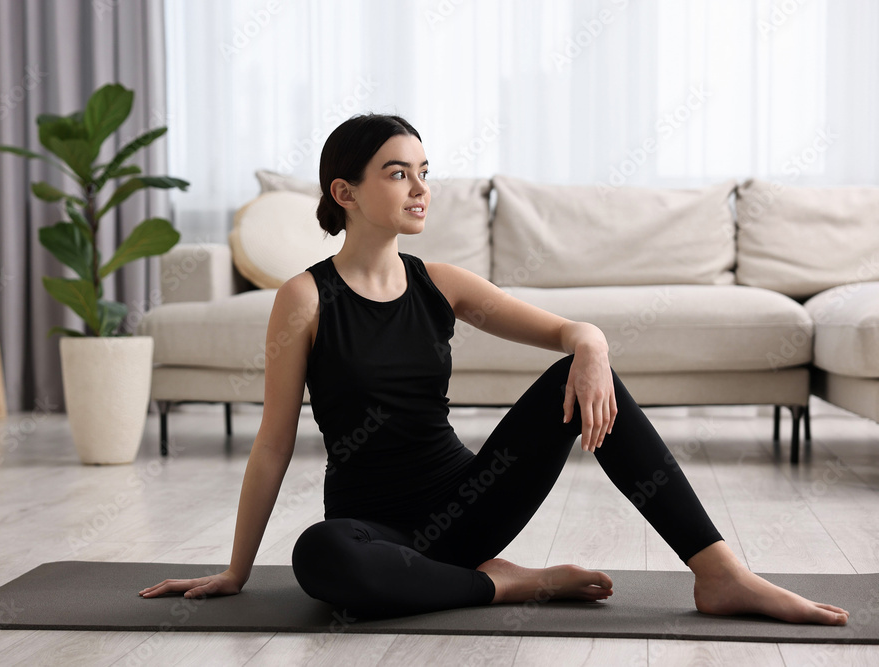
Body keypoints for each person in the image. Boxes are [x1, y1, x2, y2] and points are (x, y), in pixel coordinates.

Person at [139, 113, 849, 625]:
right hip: (370, 528)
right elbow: (273, 440)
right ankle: (510, 585)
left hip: (466, 503)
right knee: (320, 559)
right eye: (397, 173)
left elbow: (567, 331)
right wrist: (236, 570)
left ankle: (719, 571)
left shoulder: (441, 283)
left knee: (584, 373)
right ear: (344, 192)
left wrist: (592, 343)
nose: (420, 188)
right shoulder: (305, 297)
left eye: (424, 173)